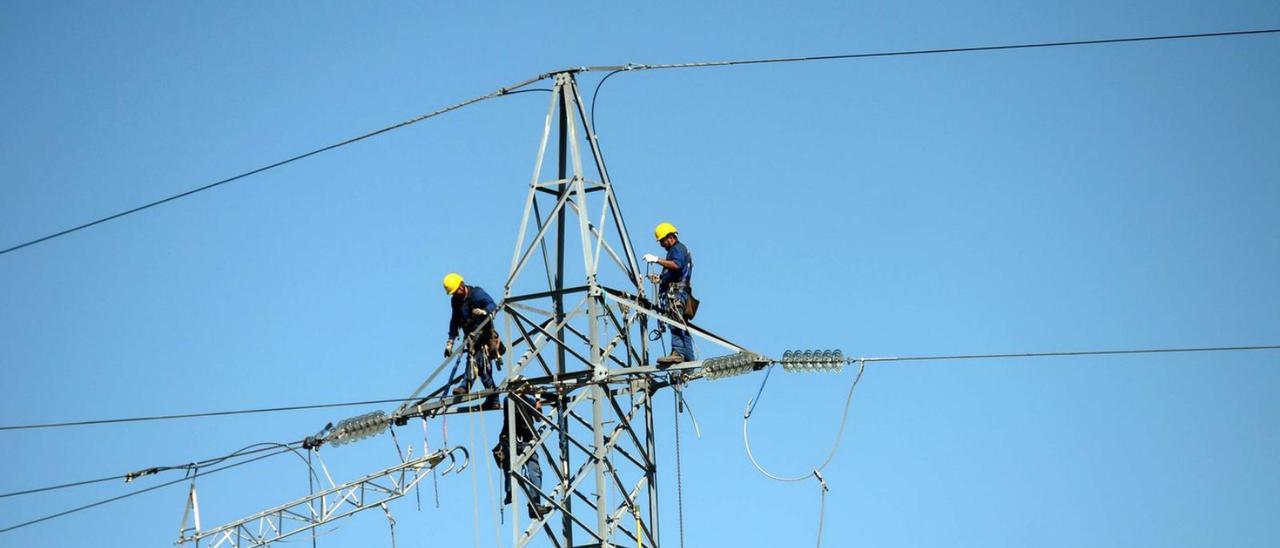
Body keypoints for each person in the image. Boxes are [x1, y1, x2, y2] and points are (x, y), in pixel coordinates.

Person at [442, 272, 502, 408]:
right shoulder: (455, 301)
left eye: (456, 291)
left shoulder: (476, 293)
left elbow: (492, 304)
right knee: (482, 369)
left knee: (478, 363)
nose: (455, 294)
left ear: (462, 285)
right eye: (453, 293)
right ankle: (493, 399)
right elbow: (455, 320)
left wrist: (485, 312)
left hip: (484, 335)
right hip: (471, 338)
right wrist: (450, 341)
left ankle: (465, 386)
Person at [492, 393, 553, 519]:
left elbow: (538, 418)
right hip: (510, 439)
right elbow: (512, 407)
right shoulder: (508, 399)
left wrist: (537, 399)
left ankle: (534, 505)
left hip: (526, 440)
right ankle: (510, 492)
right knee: (509, 467)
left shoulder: (529, 400)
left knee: (535, 471)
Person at [642, 222, 695, 364]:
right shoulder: (680, 250)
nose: (661, 245)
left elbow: (677, 265)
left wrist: (656, 260)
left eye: (662, 241)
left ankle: (678, 352)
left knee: (675, 322)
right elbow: (675, 272)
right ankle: (689, 358)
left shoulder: (677, 249)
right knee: (683, 326)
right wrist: (660, 278)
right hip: (682, 293)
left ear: (670, 237)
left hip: (677, 294)